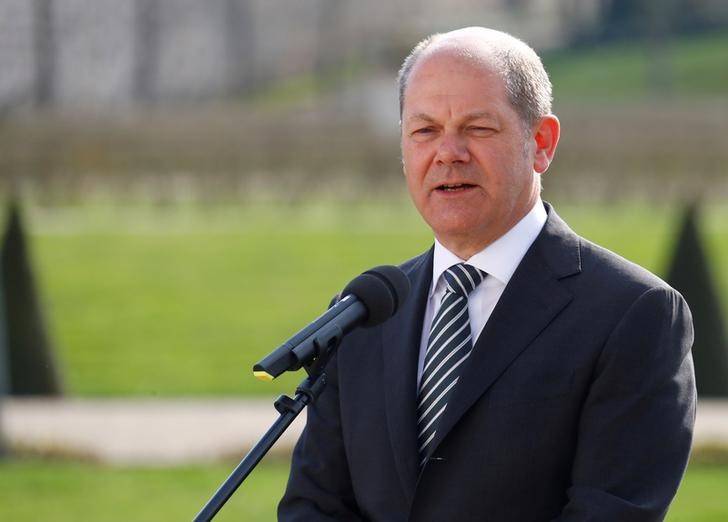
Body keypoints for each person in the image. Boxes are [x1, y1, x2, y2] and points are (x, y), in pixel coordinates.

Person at [278, 27, 696, 521]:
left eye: (477, 128)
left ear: (541, 143)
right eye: (425, 130)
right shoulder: (363, 317)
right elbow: (314, 507)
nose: (448, 152)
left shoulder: (635, 314)